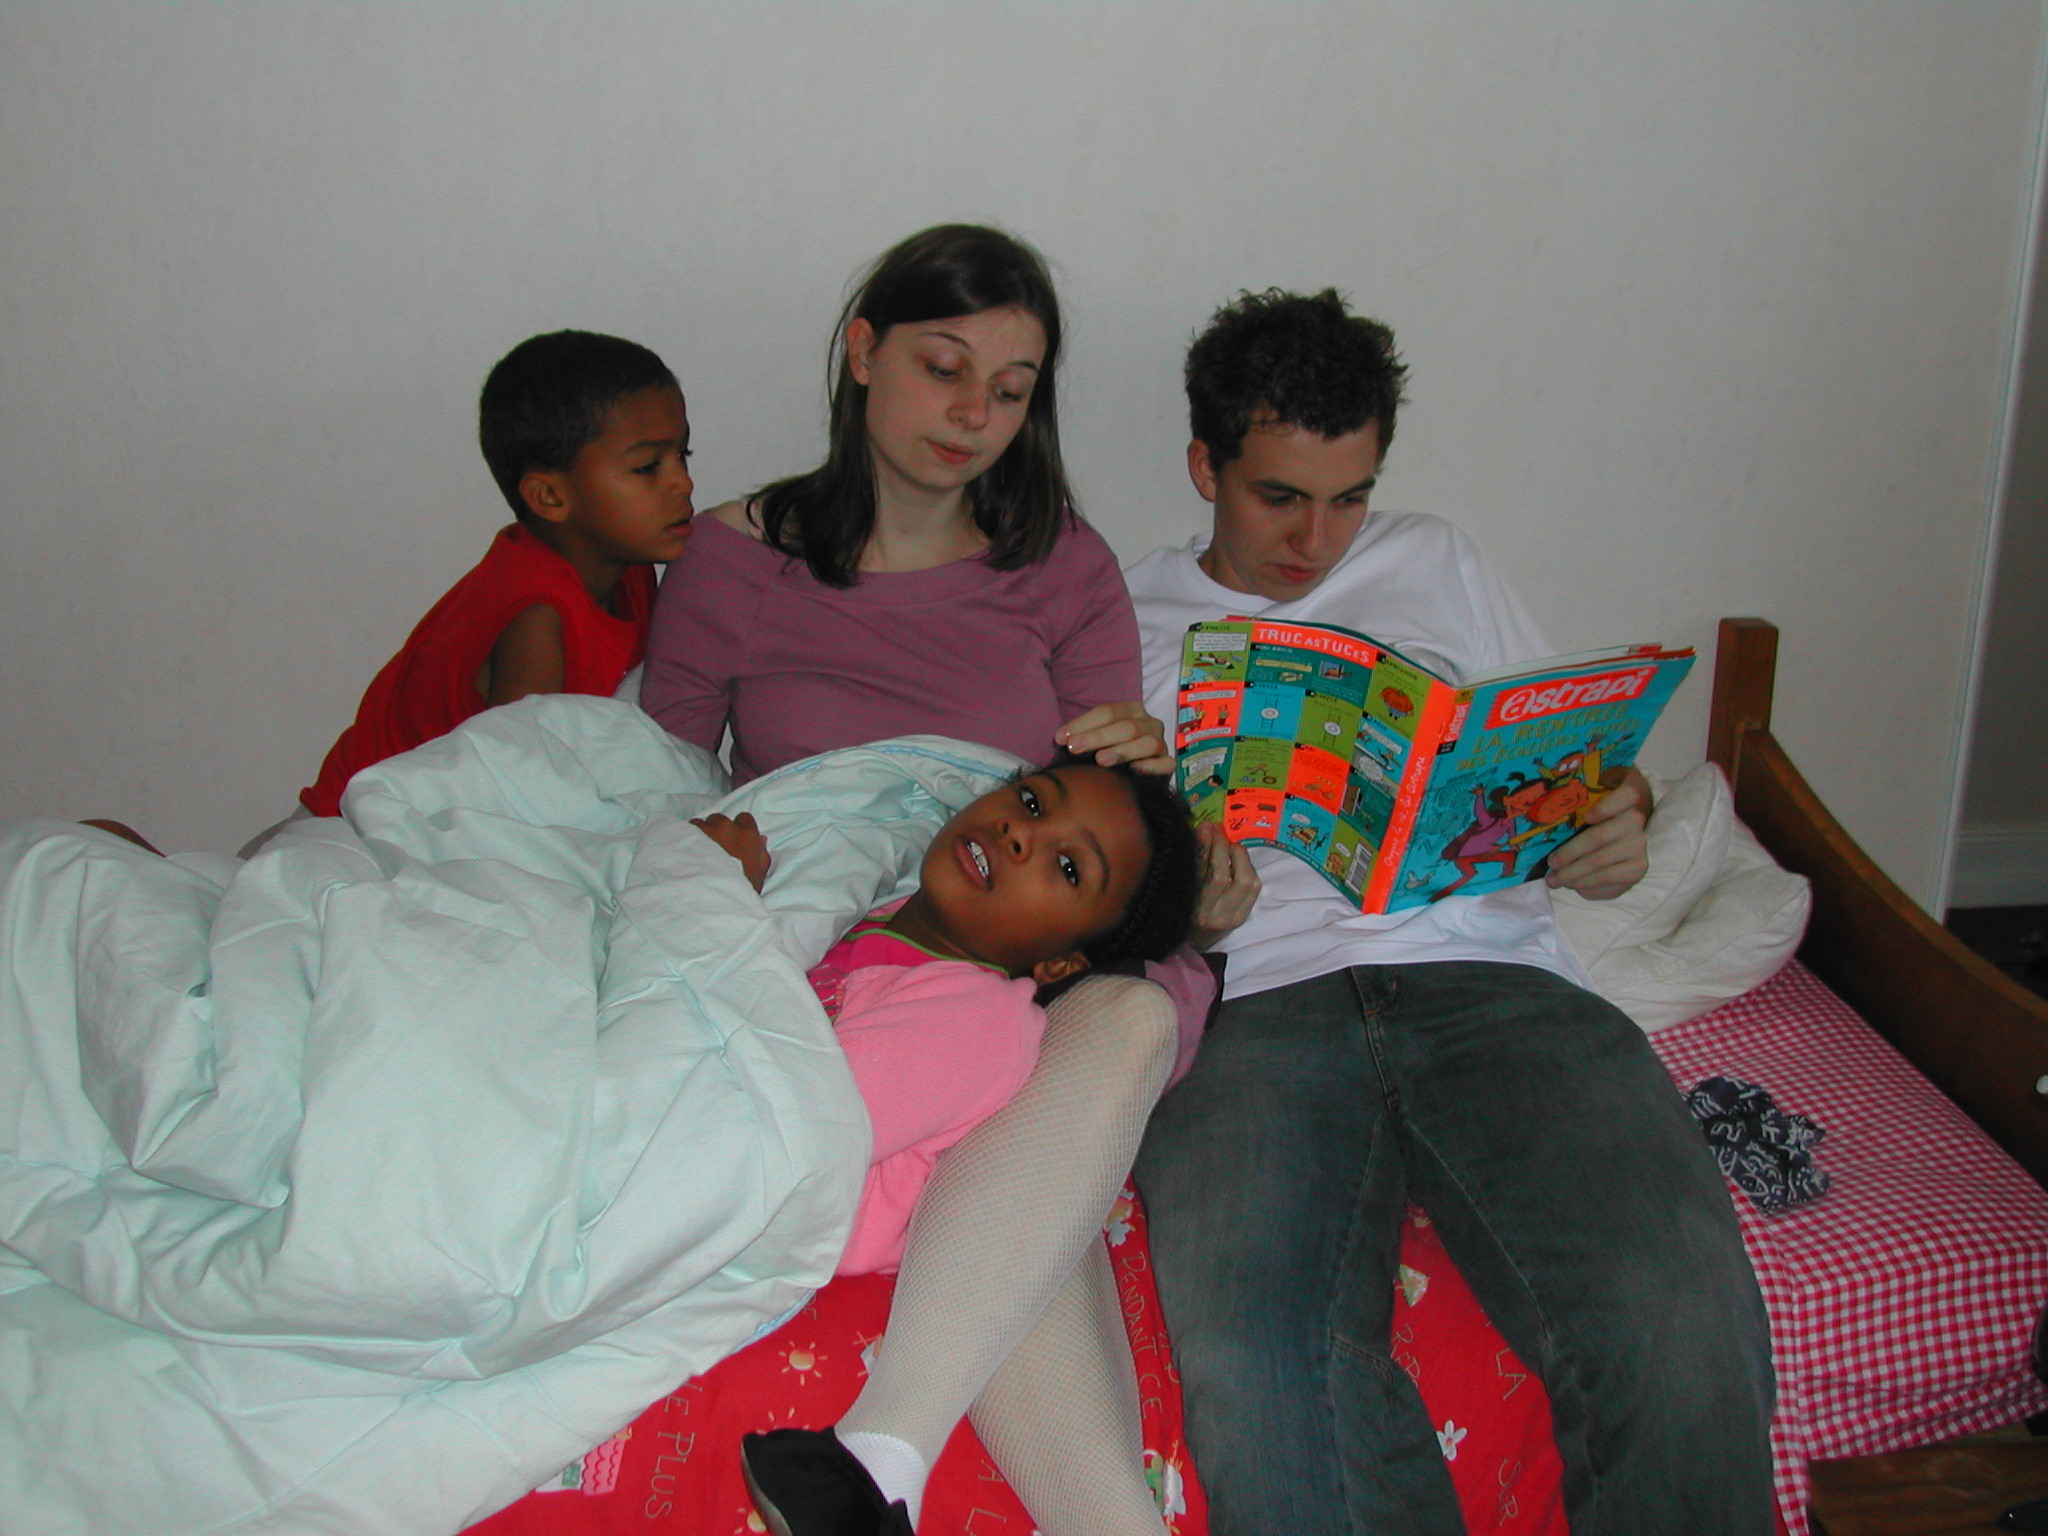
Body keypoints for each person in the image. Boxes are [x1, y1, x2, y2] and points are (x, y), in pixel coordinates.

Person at [1125, 289, 1776, 1535]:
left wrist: (1613, 819)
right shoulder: (1123, 615)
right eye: (1278, 497)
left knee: (1676, 1318)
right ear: (1205, 467)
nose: (1316, 540)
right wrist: (1185, 911)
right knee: (1263, 1369)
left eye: (1349, 497)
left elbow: (1574, 764)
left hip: (1494, 987)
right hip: (1259, 1007)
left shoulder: (1437, 561)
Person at [641, 224, 1250, 1536]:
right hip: (864, 929)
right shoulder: (733, 563)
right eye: (943, 367)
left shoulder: (1062, 566)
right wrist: (707, 876)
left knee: (1118, 1018)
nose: (975, 415)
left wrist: (1155, 793)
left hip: (1035, 933)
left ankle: (878, 1460)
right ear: (863, 353)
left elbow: (1100, 816)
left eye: (1012, 390)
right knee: (1016, 1164)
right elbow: (658, 780)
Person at [300, 330, 693, 816]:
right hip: (361, 822)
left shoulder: (630, 570)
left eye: (683, 455)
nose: (682, 482)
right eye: (648, 466)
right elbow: (515, 795)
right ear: (549, 496)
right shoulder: (537, 616)